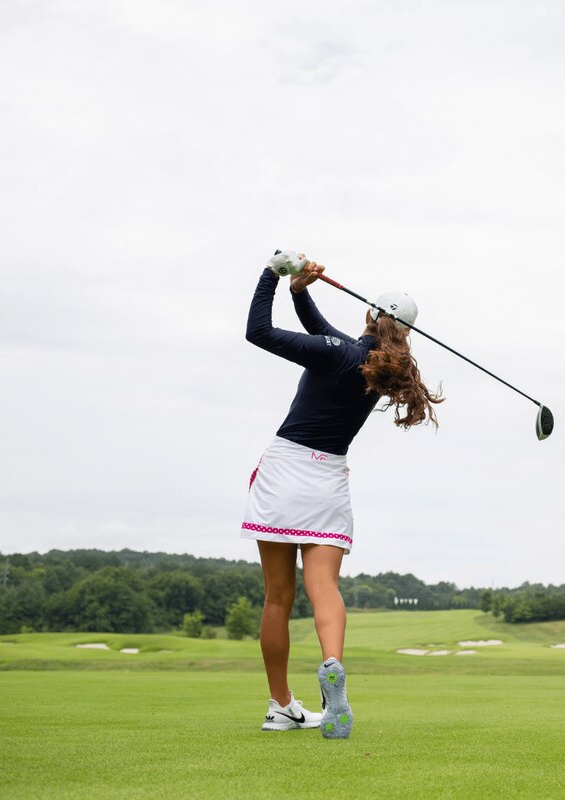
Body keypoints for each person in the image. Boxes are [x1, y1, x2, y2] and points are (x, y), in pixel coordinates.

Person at [241, 252, 443, 738]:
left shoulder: (338, 351)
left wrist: (272, 275)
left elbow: (259, 332)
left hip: (284, 470)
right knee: (324, 588)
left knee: (277, 598)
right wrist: (300, 292)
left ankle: (280, 704)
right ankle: (331, 661)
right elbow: (329, 338)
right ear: (407, 334)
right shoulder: (381, 368)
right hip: (328, 479)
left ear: (370, 314)